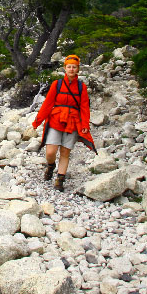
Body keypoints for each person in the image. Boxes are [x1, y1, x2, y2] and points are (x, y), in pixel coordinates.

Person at [32, 54, 96, 191]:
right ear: (65, 68)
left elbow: (85, 107)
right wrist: (37, 121)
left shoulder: (81, 87)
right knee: (50, 151)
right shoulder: (57, 84)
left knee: (65, 152)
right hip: (56, 120)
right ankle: (50, 166)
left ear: (77, 69)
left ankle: (60, 180)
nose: (71, 69)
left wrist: (85, 125)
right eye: (69, 67)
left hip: (72, 121)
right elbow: (48, 104)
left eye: (74, 67)